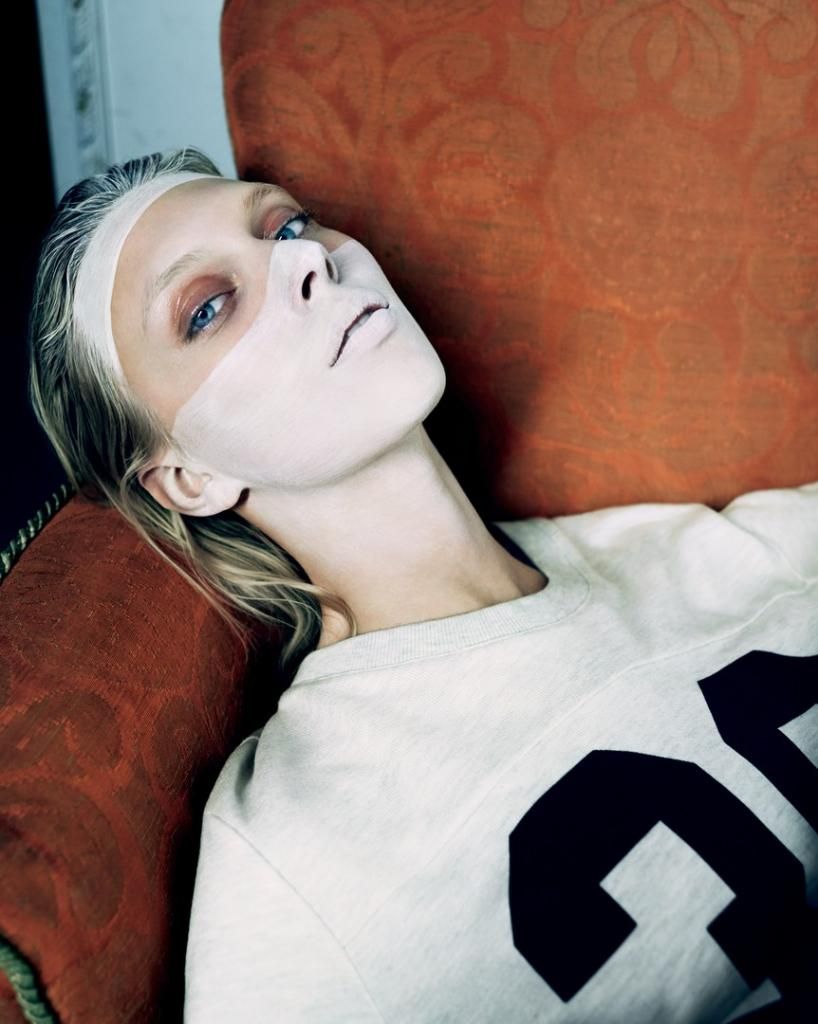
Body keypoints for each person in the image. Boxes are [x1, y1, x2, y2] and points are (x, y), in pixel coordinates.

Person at [29, 146, 817, 1023]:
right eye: (207, 308)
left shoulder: (700, 550)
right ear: (188, 479)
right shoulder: (298, 880)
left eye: (287, 226)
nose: (306, 259)